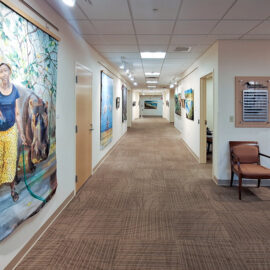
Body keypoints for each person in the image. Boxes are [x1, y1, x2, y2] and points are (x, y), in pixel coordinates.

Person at [0, 63, 26, 202]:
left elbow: (17, 113)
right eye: (0, 71)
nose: (3, 73)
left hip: (11, 130)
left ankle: (12, 190)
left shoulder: (14, 90)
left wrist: (21, 132)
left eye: (5, 70)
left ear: (10, 72)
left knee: (10, 159)